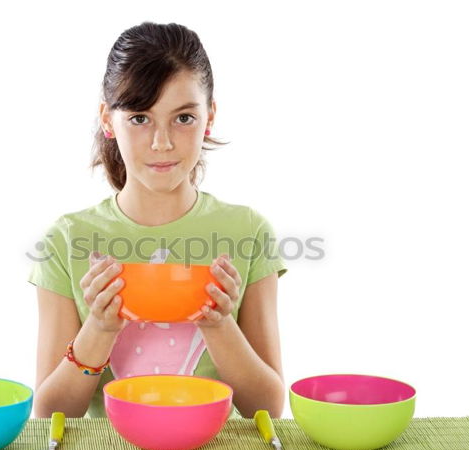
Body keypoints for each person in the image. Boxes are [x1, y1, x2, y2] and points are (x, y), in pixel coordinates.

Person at [28, 21, 288, 419]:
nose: (162, 142)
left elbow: (266, 407)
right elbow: (51, 415)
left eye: (183, 118)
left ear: (210, 116)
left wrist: (219, 326)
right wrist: (99, 328)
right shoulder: (66, 239)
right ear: (107, 119)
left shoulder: (249, 231)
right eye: (139, 118)